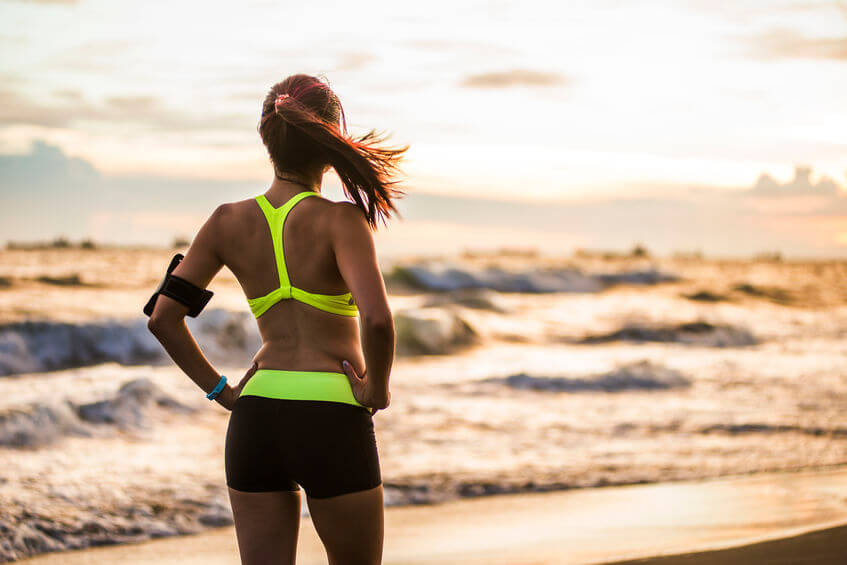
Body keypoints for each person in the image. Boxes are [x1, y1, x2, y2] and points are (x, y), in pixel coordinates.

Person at [146, 73, 408, 565]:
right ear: (330, 145)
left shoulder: (225, 221)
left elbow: (163, 319)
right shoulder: (341, 221)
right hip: (332, 417)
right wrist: (377, 391)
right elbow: (376, 320)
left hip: (256, 418)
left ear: (266, 140)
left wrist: (221, 391)